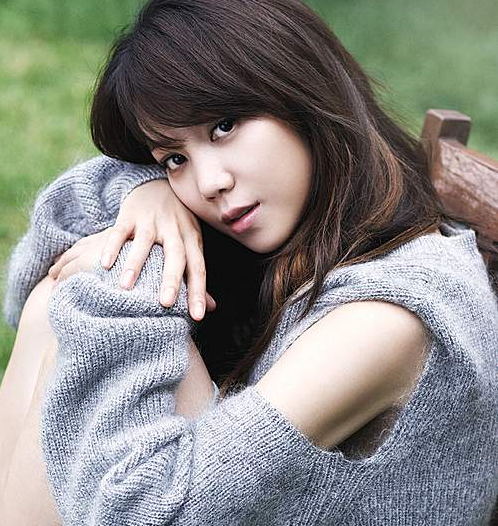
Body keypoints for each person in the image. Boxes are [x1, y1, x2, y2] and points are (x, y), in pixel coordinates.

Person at [0, 0, 497, 524]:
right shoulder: (323, 235)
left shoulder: (386, 319)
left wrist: (137, 270)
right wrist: (146, 194)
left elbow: (148, 513)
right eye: (175, 159)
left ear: (300, 91)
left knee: (95, 288)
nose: (209, 183)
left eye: (224, 126)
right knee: (53, 301)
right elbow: (30, 277)